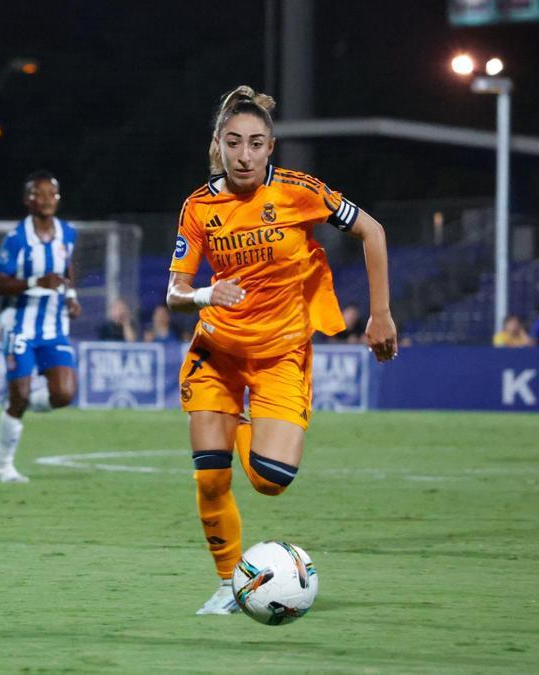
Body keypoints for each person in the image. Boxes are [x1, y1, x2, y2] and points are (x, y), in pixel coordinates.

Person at [167, 86, 397, 615]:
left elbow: (373, 231)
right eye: (233, 143)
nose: (244, 155)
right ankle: (229, 585)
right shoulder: (199, 207)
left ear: (271, 148)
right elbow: (175, 292)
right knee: (210, 478)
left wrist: (380, 313)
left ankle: (238, 420)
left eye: (255, 143)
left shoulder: (299, 191)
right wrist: (206, 293)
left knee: (271, 480)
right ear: (218, 146)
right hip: (217, 351)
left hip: (280, 354)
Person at [0, 170, 81, 483]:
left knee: (65, 394)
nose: (47, 200)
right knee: (20, 395)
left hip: (55, 325)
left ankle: (20, 401)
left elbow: (67, 266)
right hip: (20, 327)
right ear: (29, 199)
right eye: (40, 194)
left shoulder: (67, 233)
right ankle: (3, 467)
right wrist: (33, 282)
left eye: (52, 194)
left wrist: (71, 294)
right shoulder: (16, 239)